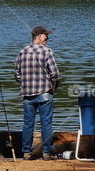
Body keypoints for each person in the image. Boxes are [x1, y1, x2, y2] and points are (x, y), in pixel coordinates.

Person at [14, 26, 60, 160]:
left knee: (28, 123)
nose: (48, 39)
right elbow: (55, 74)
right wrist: (53, 88)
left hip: (27, 94)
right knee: (46, 123)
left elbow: (17, 74)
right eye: (46, 36)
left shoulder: (22, 52)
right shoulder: (47, 51)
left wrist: (25, 85)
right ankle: (47, 153)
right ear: (39, 36)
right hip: (45, 92)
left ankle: (26, 152)